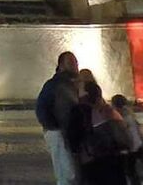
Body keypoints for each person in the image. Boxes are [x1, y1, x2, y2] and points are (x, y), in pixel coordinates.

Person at [68, 82, 130, 185]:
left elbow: (73, 137)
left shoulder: (79, 111)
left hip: (92, 159)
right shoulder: (109, 111)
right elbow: (123, 136)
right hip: (113, 159)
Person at [36, 51, 80, 185]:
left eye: (75, 62)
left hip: (71, 134)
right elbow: (41, 108)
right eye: (71, 62)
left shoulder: (72, 84)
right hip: (59, 133)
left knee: (72, 172)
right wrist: (54, 128)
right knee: (66, 173)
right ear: (61, 65)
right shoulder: (54, 84)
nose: (75, 65)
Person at [110, 94, 143, 184]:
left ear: (115, 105)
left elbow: (126, 134)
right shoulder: (129, 113)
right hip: (138, 144)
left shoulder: (120, 118)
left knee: (131, 171)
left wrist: (128, 146)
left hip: (130, 147)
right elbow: (138, 128)